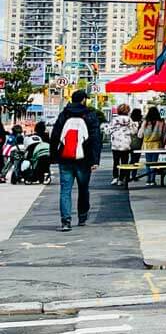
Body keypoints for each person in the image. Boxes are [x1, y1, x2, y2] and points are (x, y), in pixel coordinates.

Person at [50, 90, 102, 232]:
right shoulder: (90, 116)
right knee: (83, 188)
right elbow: (96, 139)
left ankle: (66, 221)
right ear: (84, 100)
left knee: (65, 190)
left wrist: (54, 156)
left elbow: (55, 136)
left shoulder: (63, 115)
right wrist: (95, 160)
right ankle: (82, 216)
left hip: (64, 158)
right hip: (84, 160)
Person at [105, 103, 135, 187]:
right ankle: (121, 179)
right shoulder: (129, 120)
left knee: (116, 161)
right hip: (126, 144)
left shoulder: (115, 120)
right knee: (124, 162)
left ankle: (115, 177)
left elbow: (108, 131)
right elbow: (134, 131)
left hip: (116, 144)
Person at [140, 107, 166, 186]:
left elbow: (140, 134)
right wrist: (163, 143)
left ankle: (148, 180)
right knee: (154, 162)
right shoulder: (161, 122)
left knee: (148, 162)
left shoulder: (145, 122)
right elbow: (164, 134)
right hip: (157, 144)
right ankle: (153, 180)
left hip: (147, 144)